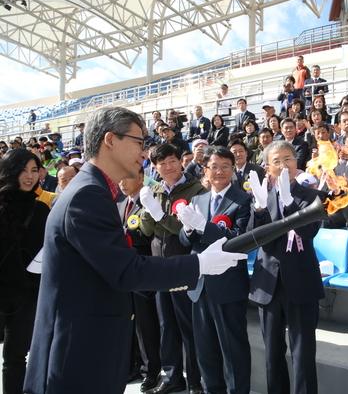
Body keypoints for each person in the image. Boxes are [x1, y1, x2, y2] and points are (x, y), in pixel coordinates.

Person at [24, 107, 246, 394]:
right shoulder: (87, 194)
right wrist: (200, 264)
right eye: (139, 143)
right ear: (110, 140)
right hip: (78, 353)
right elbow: (126, 270)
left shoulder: (89, 189)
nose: (144, 154)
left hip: (85, 347)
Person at [247, 141, 325, 394]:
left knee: (303, 352)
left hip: (301, 281)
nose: (283, 166)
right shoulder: (261, 196)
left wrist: (290, 203)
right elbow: (253, 238)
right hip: (268, 282)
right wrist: (259, 209)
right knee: (272, 352)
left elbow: (309, 231)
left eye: (288, 159)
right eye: (276, 161)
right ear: (267, 167)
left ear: (296, 163)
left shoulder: (311, 196)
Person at [178, 146, 253, 394]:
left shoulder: (243, 200)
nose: (219, 171)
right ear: (204, 170)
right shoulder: (198, 199)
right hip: (200, 285)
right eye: (214, 166)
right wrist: (189, 229)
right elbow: (186, 241)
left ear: (233, 170)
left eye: (225, 166)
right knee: (205, 349)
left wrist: (204, 226)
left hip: (228, 285)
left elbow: (238, 240)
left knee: (233, 349)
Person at [138, 143, 208, 394]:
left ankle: (196, 380)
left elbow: (187, 230)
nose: (167, 167)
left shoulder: (196, 189)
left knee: (188, 325)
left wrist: (161, 217)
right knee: (166, 324)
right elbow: (147, 231)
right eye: (161, 163)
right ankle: (172, 376)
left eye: (172, 161)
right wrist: (148, 209)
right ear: (154, 167)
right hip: (159, 264)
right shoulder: (154, 189)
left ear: (180, 161)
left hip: (184, 263)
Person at [0, 149, 50, 394]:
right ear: (11, 171)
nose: (30, 176)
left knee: (16, 357)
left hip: (28, 294)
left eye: (34, 170)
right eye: (23, 170)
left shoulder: (41, 210)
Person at [117, 169, 162, 392]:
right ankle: (134, 364)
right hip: (124, 272)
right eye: (120, 179)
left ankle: (151, 370)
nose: (122, 183)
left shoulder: (148, 202)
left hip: (143, 269)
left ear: (141, 178)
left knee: (146, 324)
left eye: (128, 178)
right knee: (130, 321)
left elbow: (150, 235)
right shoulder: (120, 204)